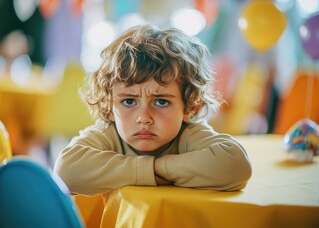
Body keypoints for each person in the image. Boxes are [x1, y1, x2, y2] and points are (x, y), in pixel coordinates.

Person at [53, 25, 252, 195]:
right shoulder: (109, 132)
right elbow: (65, 171)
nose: (144, 118)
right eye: (129, 102)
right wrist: (149, 170)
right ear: (110, 106)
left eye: (161, 102)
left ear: (190, 107)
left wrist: (158, 167)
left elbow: (236, 164)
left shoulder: (188, 132)